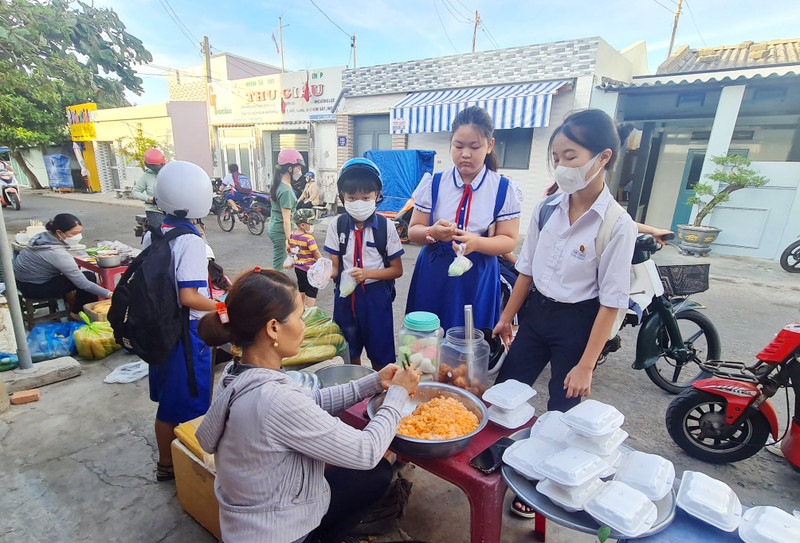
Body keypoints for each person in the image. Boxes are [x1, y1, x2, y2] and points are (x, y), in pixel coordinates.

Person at [194, 268, 421, 543]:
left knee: (374, 476)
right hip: (279, 531)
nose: (303, 325)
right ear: (273, 328)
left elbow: (311, 403)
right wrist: (398, 394)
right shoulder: (273, 399)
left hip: (254, 516)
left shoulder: (238, 373)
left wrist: (374, 383)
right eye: (299, 317)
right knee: (375, 467)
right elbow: (366, 450)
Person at [491, 109, 637, 518]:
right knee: (507, 390)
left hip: (579, 324)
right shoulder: (547, 209)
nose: (561, 166)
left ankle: (543, 485)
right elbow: (527, 269)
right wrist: (508, 316)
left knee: (564, 409)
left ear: (602, 157)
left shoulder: (616, 224)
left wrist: (587, 366)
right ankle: (503, 461)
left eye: (570, 156)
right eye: (556, 157)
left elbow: (612, 302)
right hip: (537, 314)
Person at [406, 106, 522, 330]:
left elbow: (508, 239)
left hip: (477, 274)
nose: (465, 153)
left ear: (490, 145)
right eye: (458, 146)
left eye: (474, 146)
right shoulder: (434, 183)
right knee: (427, 340)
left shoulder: (503, 188)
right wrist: (432, 232)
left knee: (469, 340)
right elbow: (414, 231)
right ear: (451, 144)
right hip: (433, 271)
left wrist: (477, 243)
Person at [145, 161, 219, 482]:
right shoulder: (190, 241)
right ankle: (176, 465)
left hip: (160, 328)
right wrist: (224, 308)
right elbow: (189, 296)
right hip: (187, 334)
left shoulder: (154, 234)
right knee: (186, 404)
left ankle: (168, 461)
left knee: (169, 397)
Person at [324, 158, 404, 368]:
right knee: (348, 352)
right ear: (342, 196)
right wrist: (319, 272)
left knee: (381, 355)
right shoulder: (337, 225)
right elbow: (334, 268)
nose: (358, 202)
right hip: (344, 298)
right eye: (352, 197)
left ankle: (382, 393)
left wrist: (368, 274)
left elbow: (397, 270)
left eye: (366, 197)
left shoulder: (386, 227)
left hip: (376, 299)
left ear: (377, 195)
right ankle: (356, 389)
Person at [13, 213, 111, 318]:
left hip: (20, 282)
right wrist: (110, 294)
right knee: (88, 277)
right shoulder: (56, 253)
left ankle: (72, 305)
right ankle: (78, 314)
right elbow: (83, 284)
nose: (78, 236)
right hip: (34, 288)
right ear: (59, 232)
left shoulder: (41, 237)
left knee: (76, 277)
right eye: (73, 234)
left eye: (79, 233)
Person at [268, 149, 303, 270]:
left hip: (275, 226)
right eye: (299, 168)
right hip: (280, 231)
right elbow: (286, 219)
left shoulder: (281, 185)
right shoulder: (286, 191)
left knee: (280, 261)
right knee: (279, 266)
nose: (300, 172)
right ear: (290, 168)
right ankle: (275, 288)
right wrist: (289, 241)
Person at [288, 208, 322, 307]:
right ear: (303, 225)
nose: (312, 226)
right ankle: (310, 310)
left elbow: (289, 250)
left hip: (298, 268)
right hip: (310, 269)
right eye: (310, 224)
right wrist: (322, 263)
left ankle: (302, 307)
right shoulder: (309, 238)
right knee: (312, 289)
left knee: (301, 287)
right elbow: (315, 252)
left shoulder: (291, 236)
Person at [131, 148, 167, 229]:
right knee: (161, 231)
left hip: (170, 209)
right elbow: (135, 191)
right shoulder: (146, 175)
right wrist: (149, 198)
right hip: (155, 209)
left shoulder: (168, 172)